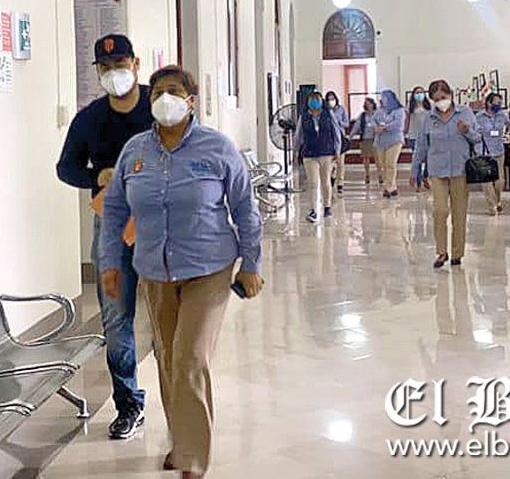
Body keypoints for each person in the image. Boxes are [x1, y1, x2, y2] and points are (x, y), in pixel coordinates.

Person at [100, 66, 264, 479]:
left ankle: (192, 461)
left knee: (190, 357)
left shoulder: (216, 147)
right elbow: (115, 208)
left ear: (191, 101)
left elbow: (245, 208)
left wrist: (252, 264)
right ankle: (182, 439)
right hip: (155, 270)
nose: (165, 99)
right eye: (157, 92)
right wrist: (109, 263)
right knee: (169, 360)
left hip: (209, 267)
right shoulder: (135, 150)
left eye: (174, 91)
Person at [55, 33, 149, 439]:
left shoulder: (158, 105)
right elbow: (66, 167)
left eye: (120, 65)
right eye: (105, 68)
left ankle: (182, 404)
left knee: (171, 317)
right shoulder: (90, 118)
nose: (114, 73)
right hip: (112, 225)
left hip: (162, 224)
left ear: (136, 64)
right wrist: (97, 175)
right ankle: (128, 404)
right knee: (115, 318)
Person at [411, 80, 481, 268]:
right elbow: (421, 146)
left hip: (460, 169)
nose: (441, 102)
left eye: (443, 97)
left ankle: (458, 253)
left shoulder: (465, 113)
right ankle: (441, 252)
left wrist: (467, 131)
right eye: (436, 99)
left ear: (451, 95)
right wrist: (415, 169)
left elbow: (478, 138)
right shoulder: (429, 119)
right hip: (437, 170)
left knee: (459, 213)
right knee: (440, 211)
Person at [298, 91, 340, 223]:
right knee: (313, 183)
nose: (314, 103)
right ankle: (313, 210)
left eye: (317, 100)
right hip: (309, 154)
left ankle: (327, 207)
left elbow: (336, 133)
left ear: (322, 102)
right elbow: (299, 135)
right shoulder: (304, 117)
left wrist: (337, 150)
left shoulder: (328, 115)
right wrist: (295, 151)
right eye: (312, 100)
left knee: (325, 181)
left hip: (326, 153)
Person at [476, 93, 510, 215]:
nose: (499, 105)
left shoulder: (502, 115)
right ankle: (492, 206)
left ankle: (497, 200)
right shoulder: (479, 117)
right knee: (486, 181)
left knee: (499, 180)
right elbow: (475, 133)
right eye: (497, 102)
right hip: (484, 152)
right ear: (489, 103)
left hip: (498, 151)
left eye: (500, 103)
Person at [370, 90, 407, 198]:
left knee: (390, 163)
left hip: (395, 141)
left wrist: (385, 127)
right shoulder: (379, 111)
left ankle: (388, 187)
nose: (382, 99)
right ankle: (393, 186)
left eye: (385, 97)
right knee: (383, 165)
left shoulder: (399, 111)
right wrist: (375, 127)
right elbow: (373, 120)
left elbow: (399, 124)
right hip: (381, 141)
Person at [406, 87, 432, 192]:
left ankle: (425, 176)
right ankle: (418, 184)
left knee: (429, 159)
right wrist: (405, 132)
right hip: (414, 135)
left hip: (427, 135)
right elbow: (407, 121)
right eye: (417, 93)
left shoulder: (429, 106)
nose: (419, 94)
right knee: (417, 160)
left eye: (421, 92)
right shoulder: (410, 107)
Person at [325, 91, 351, 194]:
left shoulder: (341, 109)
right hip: (329, 138)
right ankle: (332, 176)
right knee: (331, 161)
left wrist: (340, 122)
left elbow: (347, 123)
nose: (331, 101)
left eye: (332, 99)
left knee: (341, 162)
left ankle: (340, 182)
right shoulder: (325, 111)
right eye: (329, 99)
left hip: (340, 136)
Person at [349, 98, 378, 185]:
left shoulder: (377, 114)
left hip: (376, 139)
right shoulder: (362, 116)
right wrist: (351, 136)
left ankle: (380, 174)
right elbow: (356, 126)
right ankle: (367, 174)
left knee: (377, 158)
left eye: (370, 103)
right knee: (366, 158)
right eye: (367, 104)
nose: (368, 105)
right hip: (365, 138)